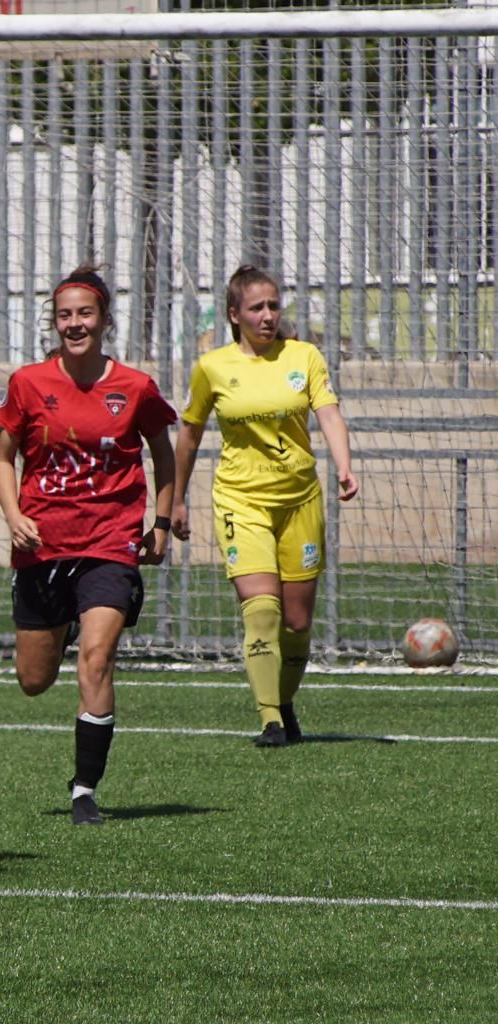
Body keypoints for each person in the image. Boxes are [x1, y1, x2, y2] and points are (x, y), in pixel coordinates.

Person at [0, 265, 176, 824]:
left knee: (97, 660)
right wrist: (13, 514)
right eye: (65, 315)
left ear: (104, 321)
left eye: (85, 314)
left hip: (109, 540)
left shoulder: (135, 387)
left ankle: (84, 790)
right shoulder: (28, 383)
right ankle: (63, 619)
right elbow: (2, 459)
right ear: (55, 323)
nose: (75, 324)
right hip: (44, 545)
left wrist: (162, 522)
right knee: (33, 680)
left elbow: (164, 454)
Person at [172, 265, 358, 747]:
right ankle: (270, 717)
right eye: (257, 307)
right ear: (234, 314)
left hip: (300, 502)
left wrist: (343, 465)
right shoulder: (213, 367)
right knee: (262, 611)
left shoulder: (305, 356)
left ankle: (285, 698)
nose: (268, 315)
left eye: (274, 305)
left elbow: (329, 413)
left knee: (297, 625)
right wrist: (174, 501)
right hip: (241, 501)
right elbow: (189, 435)